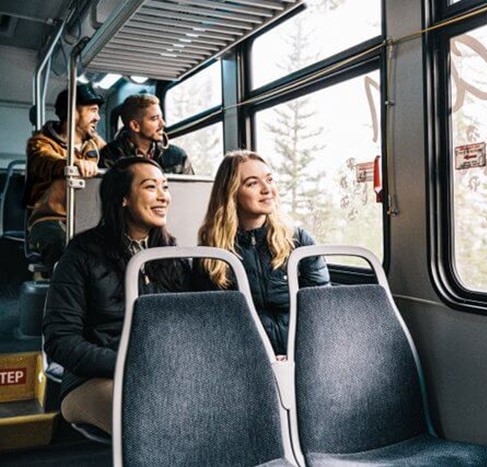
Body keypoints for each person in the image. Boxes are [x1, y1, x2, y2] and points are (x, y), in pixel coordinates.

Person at [43, 157, 190, 434]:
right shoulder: (83, 253)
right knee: (153, 413)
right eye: (150, 187)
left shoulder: (173, 255)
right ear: (123, 198)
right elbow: (60, 339)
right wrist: (129, 363)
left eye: (165, 187)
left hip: (162, 374)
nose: (163, 197)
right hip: (94, 379)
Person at [195, 150, 330, 355]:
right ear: (231, 193)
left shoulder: (299, 241)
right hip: (242, 357)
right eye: (252, 183)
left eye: (269, 179)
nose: (267, 189)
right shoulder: (212, 253)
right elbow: (212, 323)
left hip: (300, 355)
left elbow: (321, 309)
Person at [24, 83, 106, 268]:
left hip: (87, 217)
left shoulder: (94, 144)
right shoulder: (40, 143)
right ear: (73, 112)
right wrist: (74, 164)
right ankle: (65, 293)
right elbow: (46, 161)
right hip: (50, 219)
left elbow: (114, 159)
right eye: (93, 110)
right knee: (63, 246)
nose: (97, 117)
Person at [99, 93, 194, 175]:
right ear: (135, 126)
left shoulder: (178, 157)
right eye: (155, 118)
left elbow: (192, 192)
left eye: (161, 117)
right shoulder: (110, 156)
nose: (163, 124)